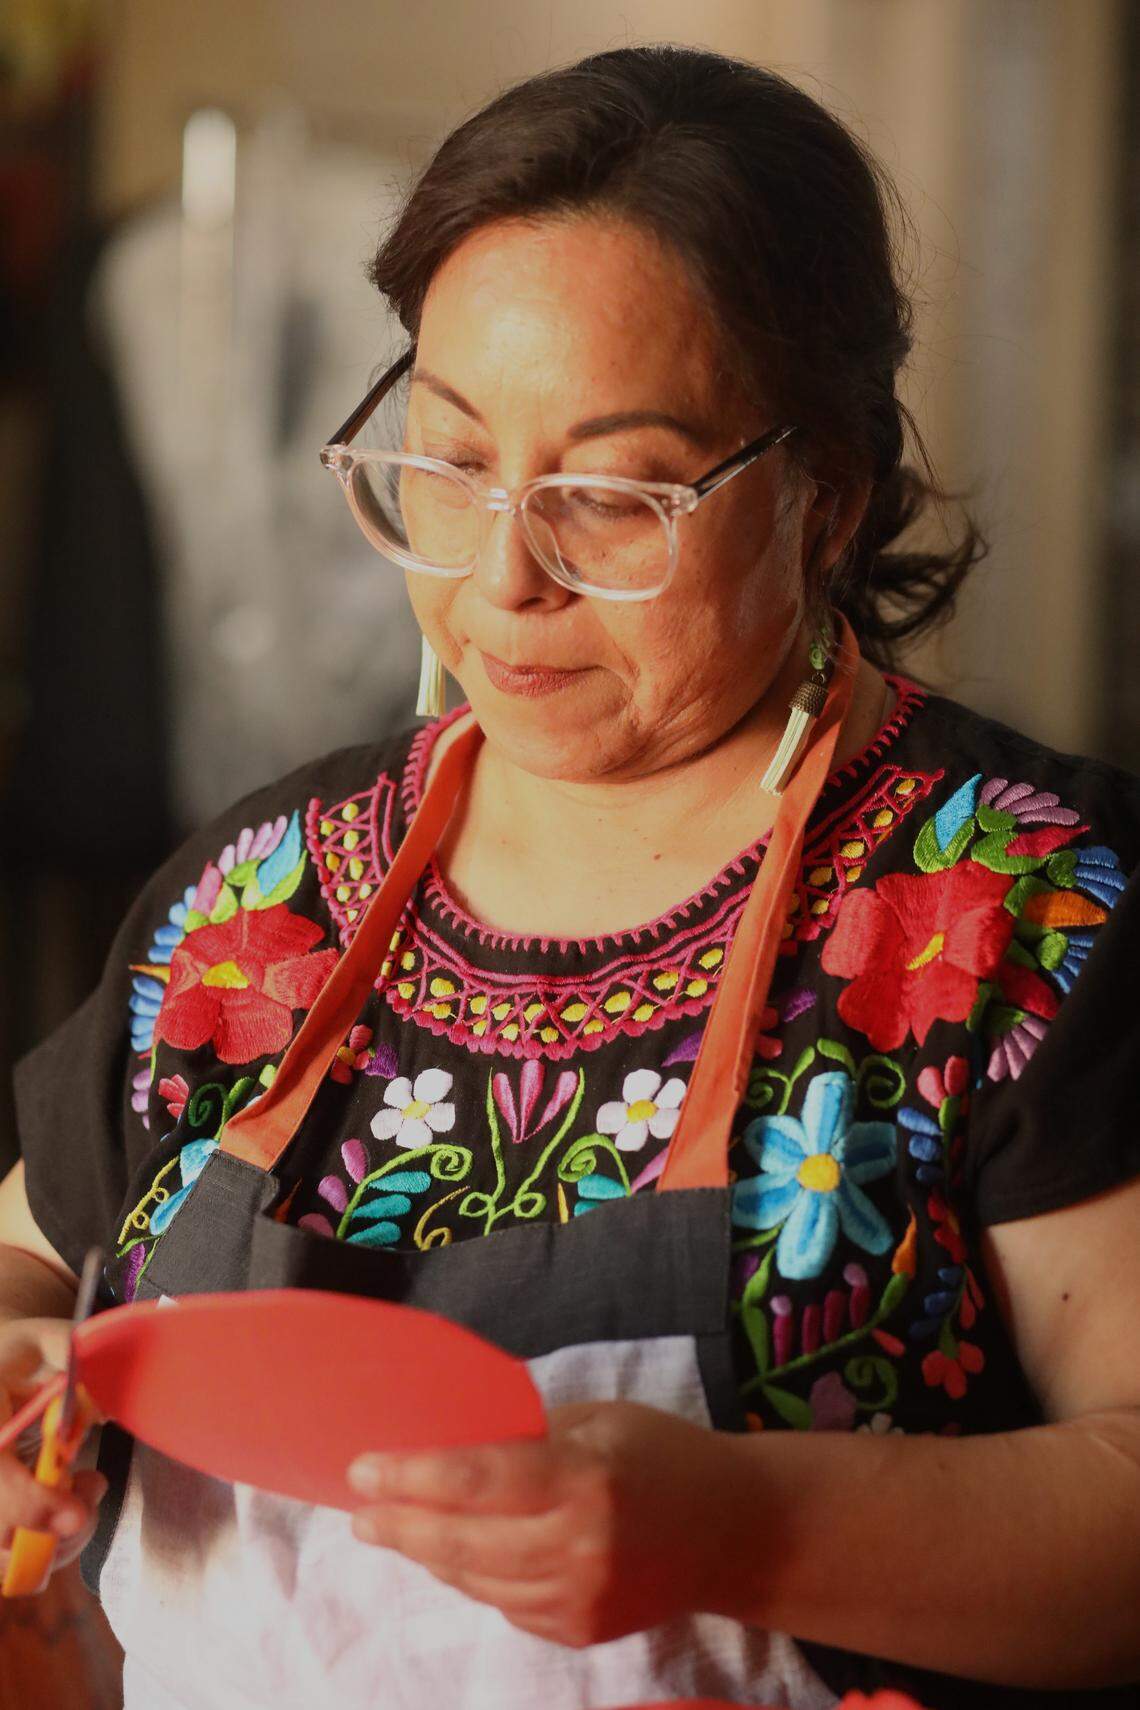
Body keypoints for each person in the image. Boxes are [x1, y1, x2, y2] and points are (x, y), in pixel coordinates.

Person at [2, 42, 1138, 1710]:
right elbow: (32, 1252)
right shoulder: (258, 901)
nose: (505, 578)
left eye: (614, 495)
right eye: (452, 464)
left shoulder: (1025, 904)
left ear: (823, 493)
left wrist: (745, 1529)